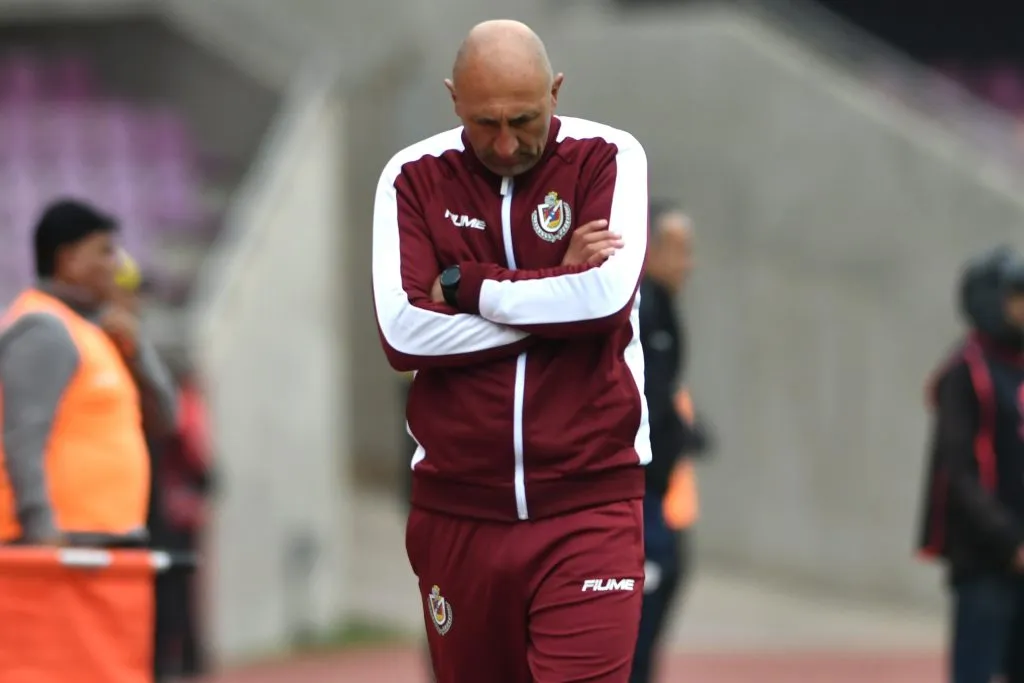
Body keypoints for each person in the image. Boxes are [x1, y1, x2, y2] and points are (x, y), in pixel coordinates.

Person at [372, 19, 649, 683]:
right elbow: (403, 332)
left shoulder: (610, 157)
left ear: (556, 91)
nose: (504, 143)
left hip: (590, 501)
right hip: (459, 510)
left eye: (523, 120)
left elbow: (605, 297)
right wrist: (558, 293)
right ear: (453, 100)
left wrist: (467, 286)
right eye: (484, 123)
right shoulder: (412, 178)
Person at [0, 199, 177, 546]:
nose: (117, 265)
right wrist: (41, 531)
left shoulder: (96, 333)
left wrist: (137, 350)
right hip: (62, 547)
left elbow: (165, 419)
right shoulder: (43, 329)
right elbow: (23, 439)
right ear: (69, 260)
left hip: (103, 540)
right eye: (105, 252)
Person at [917, 245, 1024, 683]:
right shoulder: (967, 372)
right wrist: (1010, 541)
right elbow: (960, 474)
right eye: (1017, 294)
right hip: (986, 561)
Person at [631, 202, 710, 683]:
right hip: (634, 497)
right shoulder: (641, 310)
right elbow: (645, 400)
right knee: (634, 626)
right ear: (648, 251)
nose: (689, 264)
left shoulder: (662, 309)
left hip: (657, 496)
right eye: (680, 252)